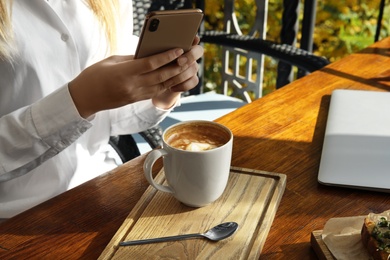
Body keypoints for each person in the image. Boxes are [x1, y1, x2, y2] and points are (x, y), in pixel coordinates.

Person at [0, 0, 203, 219]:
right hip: (16, 217)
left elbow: (110, 118)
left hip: (102, 187)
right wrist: (79, 101)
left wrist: (163, 89)